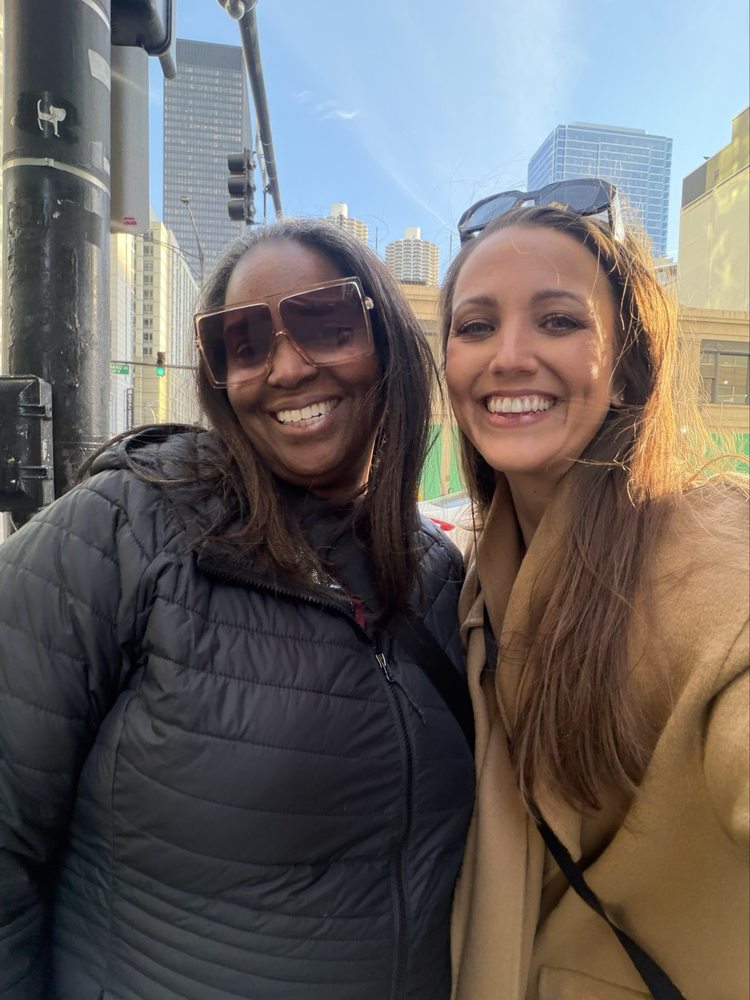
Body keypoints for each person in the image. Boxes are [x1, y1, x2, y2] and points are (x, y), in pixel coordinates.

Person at [0, 217, 475, 999]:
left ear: (385, 338)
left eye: (325, 323)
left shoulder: (440, 576)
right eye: (244, 344)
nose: (286, 367)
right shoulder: (122, 528)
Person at [440, 197, 749, 1000]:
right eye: (476, 326)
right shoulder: (473, 578)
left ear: (628, 370)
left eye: (558, 321)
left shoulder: (711, 548)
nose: (509, 356)